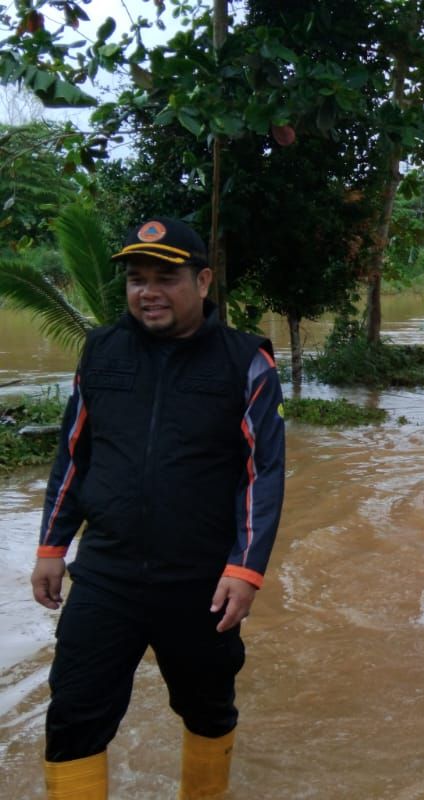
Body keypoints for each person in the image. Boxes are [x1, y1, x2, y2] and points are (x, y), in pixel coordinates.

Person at [31, 217, 286, 799]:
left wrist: (245, 569)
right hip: (105, 574)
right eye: (137, 279)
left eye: (165, 278)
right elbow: (73, 454)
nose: (148, 291)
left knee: (208, 710)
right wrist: (52, 547)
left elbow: (262, 473)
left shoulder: (245, 361)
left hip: (201, 580)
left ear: (202, 282)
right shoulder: (101, 352)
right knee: (72, 716)